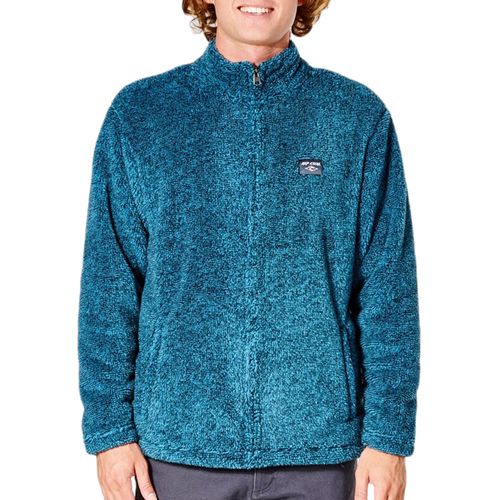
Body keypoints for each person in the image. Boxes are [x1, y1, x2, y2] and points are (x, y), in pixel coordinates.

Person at [77, 0, 421, 499]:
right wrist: (109, 432)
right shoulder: (141, 115)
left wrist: (389, 436)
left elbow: (389, 289)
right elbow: (109, 285)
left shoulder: (356, 118)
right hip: (176, 451)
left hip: (320, 452)